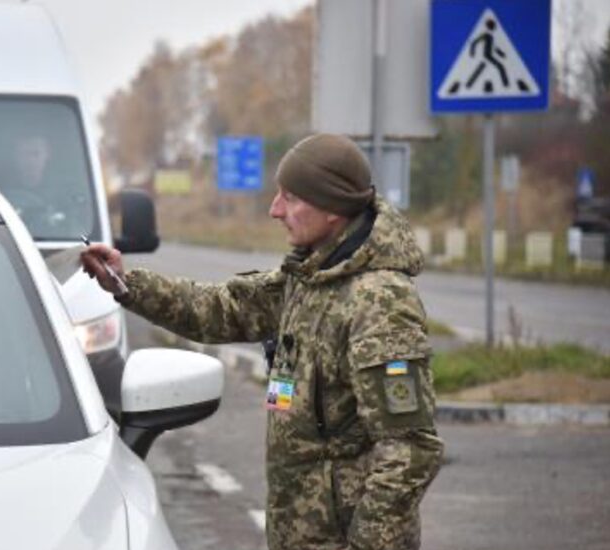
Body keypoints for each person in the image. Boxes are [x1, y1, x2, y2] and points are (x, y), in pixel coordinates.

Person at [81, 133, 444, 550]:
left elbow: (409, 448)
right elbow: (220, 308)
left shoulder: (377, 301)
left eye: (290, 197)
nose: (275, 210)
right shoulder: (310, 278)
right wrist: (125, 284)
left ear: (332, 208)